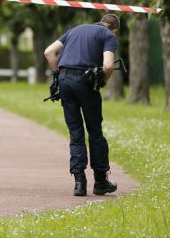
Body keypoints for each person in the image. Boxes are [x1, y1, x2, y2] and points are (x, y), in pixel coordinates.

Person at [43, 14, 120, 196]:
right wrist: (103, 81)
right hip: (86, 83)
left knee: (75, 132)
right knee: (94, 131)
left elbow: (48, 52)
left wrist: (60, 72)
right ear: (114, 30)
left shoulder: (75, 30)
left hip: (65, 82)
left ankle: (79, 183)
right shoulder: (108, 36)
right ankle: (100, 182)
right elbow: (108, 66)